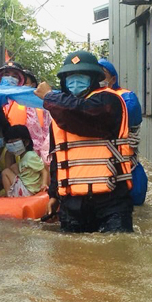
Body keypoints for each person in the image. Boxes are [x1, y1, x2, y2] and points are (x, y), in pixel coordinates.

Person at [34, 50, 134, 233]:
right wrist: (54, 194)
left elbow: (81, 113)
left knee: (116, 255)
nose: (75, 81)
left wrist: (49, 96)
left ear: (94, 78)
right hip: (72, 203)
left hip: (111, 201)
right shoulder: (59, 112)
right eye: (70, 77)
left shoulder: (108, 101)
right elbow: (58, 156)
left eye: (81, 76)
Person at [0, 62, 52, 166]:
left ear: (20, 81)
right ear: (0, 77)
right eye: (6, 74)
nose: (10, 78)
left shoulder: (30, 101)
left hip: (24, 156)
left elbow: (38, 134)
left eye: (14, 76)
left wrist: (38, 159)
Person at [98, 58, 147, 206]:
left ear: (113, 79)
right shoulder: (83, 98)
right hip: (98, 169)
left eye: (102, 73)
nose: (98, 77)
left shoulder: (127, 97)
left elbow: (127, 115)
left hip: (127, 168)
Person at [1, 125, 49, 197]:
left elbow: (44, 170)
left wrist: (44, 184)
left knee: (5, 172)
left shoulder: (30, 156)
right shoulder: (24, 157)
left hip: (27, 191)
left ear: (26, 142)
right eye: (10, 142)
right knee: (13, 167)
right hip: (27, 189)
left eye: (14, 142)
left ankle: (9, 197)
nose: (12, 145)